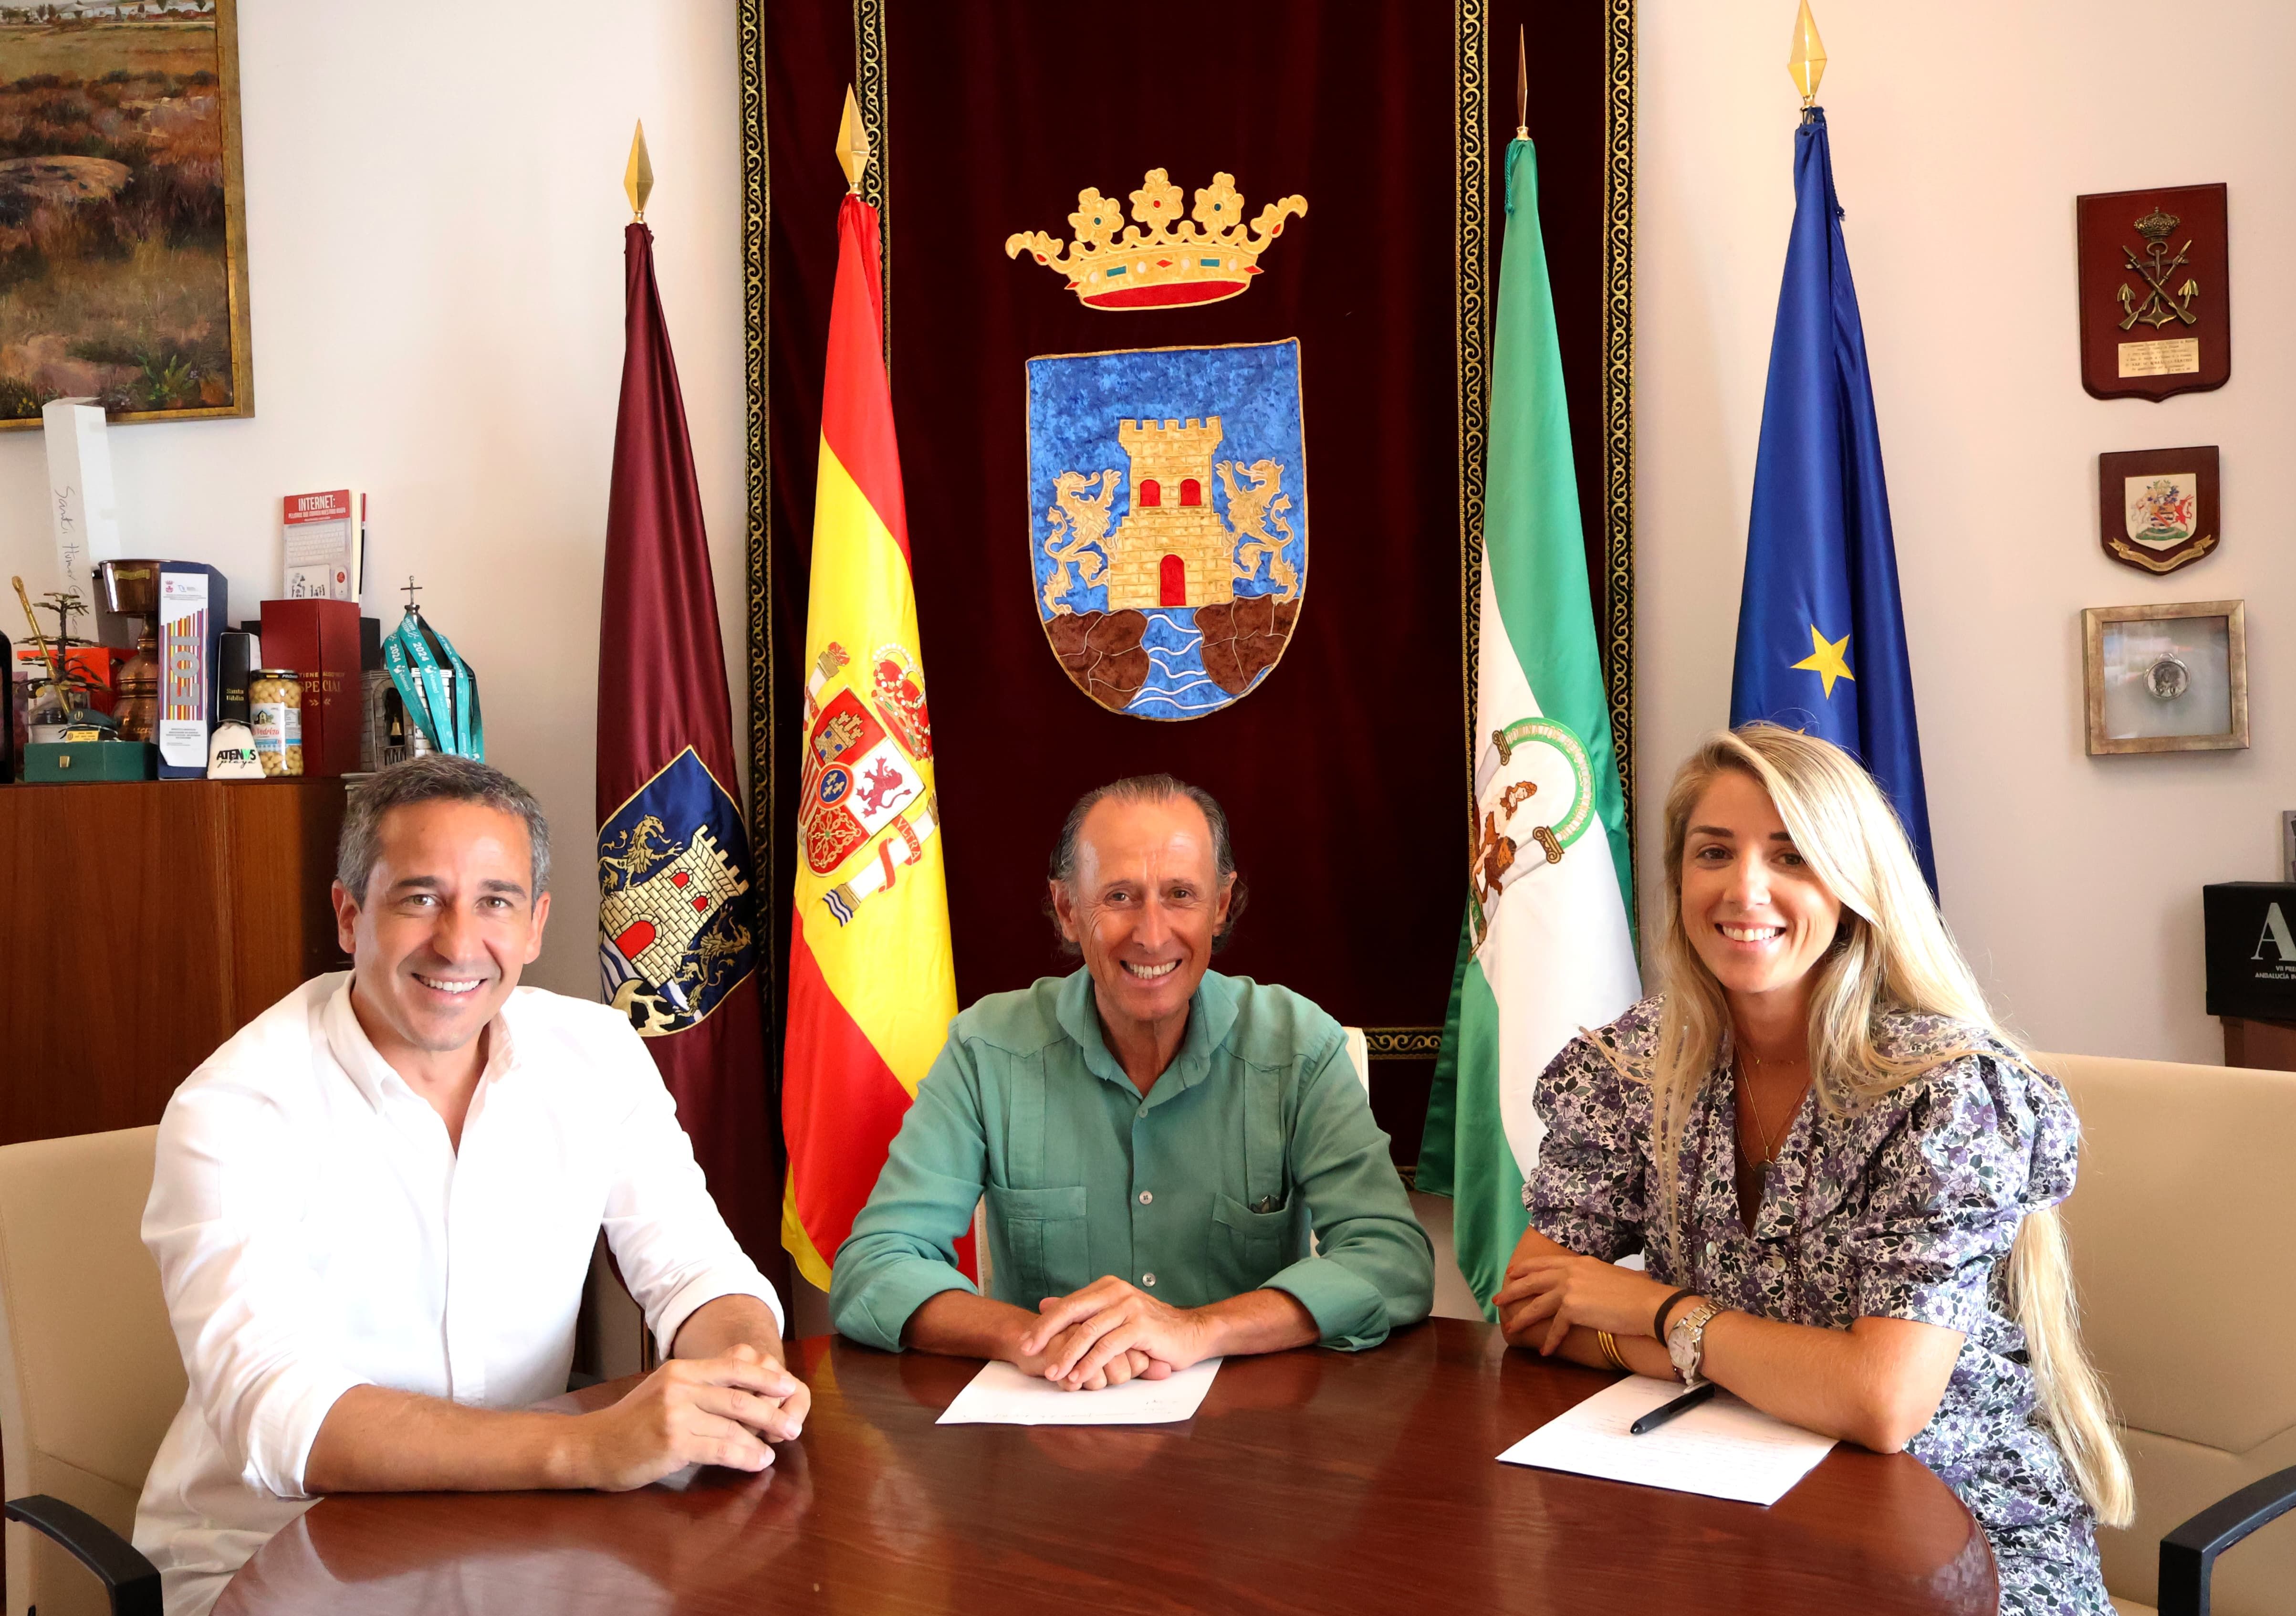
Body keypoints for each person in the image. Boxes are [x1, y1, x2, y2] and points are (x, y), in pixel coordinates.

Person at [135, 756, 804, 1616]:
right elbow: (281, 1415)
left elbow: (698, 1270)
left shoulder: (595, 1053)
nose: (458, 943)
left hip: (521, 1534)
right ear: (349, 915)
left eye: (495, 901)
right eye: (419, 898)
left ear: (535, 926)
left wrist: (741, 1371)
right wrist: (588, 1449)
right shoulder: (235, 1107)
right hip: (264, 1559)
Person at [1494, 725, 2130, 1614]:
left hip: (1960, 1531)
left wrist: (1656, 1311)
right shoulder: (1634, 1065)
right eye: (1714, 851)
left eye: (1790, 855)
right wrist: (1772, 1368)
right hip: (1726, 1491)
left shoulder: (1943, 1090)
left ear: (1852, 884)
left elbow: (1883, 1402)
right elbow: (1533, 1306)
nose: (1743, 887)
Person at [828, 774, 1432, 1389]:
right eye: (1120, 896)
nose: (1151, 933)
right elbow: (875, 1266)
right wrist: (1032, 1339)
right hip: (1048, 1433)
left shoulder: (1301, 1047)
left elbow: (1392, 1262)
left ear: (1221, 906)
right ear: (1067, 910)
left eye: (1180, 895)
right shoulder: (985, 1051)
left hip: (1251, 1449)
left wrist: (1195, 1330)